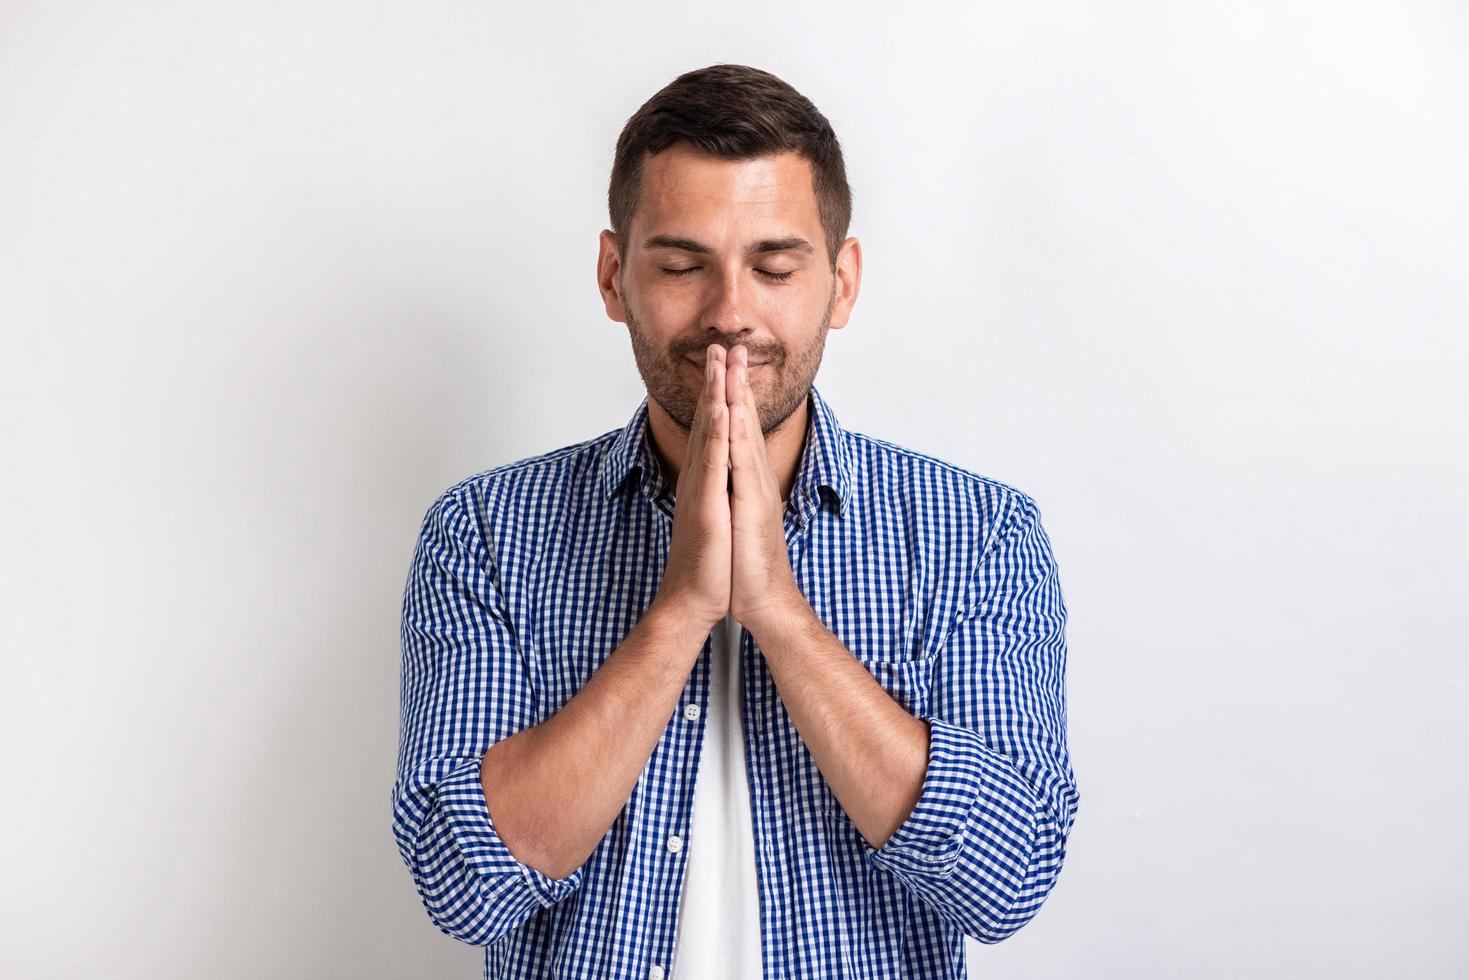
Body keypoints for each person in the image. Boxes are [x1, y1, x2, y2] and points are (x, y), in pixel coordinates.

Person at [390, 63, 1080, 980]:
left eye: (774, 266)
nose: (728, 315)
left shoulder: (976, 533)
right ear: (612, 276)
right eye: (681, 265)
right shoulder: (485, 530)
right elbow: (464, 884)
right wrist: (680, 610)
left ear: (840, 282)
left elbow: (1005, 877)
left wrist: (777, 612)